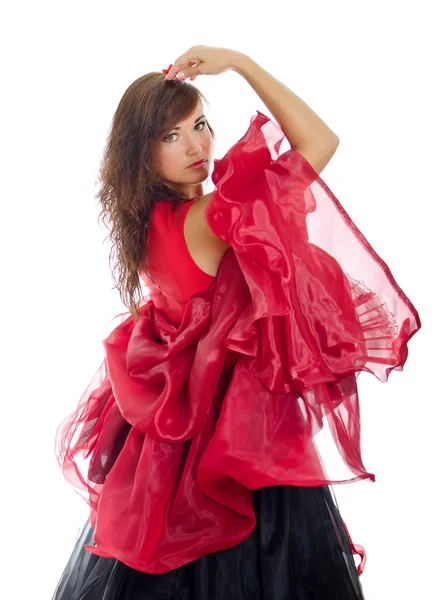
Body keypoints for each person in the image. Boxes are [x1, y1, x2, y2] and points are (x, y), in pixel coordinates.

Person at [51, 46, 421, 599]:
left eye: (199, 124)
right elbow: (320, 143)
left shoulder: (148, 222)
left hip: (172, 436)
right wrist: (241, 63)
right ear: (142, 154)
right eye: (171, 137)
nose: (197, 146)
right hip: (237, 431)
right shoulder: (209, 218)